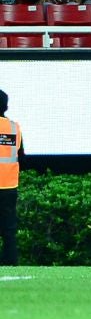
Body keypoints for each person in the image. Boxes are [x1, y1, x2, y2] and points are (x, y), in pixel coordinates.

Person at [0, 90, 23, 266]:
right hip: (9, 186)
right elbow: (21, 156)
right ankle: (11, 261)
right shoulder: (14, 128)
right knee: (8, 228)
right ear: (6, 106)